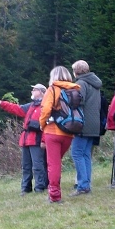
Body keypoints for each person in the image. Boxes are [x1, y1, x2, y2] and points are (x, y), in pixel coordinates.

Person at [0, 85, 47, 195]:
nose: (32, 91)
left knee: (38, 165)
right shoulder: (31, 106)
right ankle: (25, 189)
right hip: (26, 139)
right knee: (26, 166)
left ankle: (40, 187)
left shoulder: (46, 106)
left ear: (42, 92)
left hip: (37, 140)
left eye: (34, 89)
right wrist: (2, 104)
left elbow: (48, 125)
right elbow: (16, 108)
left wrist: (44, 141)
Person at [39, 66, 80, 203]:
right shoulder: (74, 89)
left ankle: (55, 195)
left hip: (53, 131)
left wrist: (42, 124)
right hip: (69, 131)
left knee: (53, 164)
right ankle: (54, 190)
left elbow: (45, 109)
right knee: (57, 162)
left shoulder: (52, 89)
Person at [69, 60, 102, 196]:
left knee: (77, 153)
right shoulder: (95, 84)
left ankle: (83, 185)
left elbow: (77, 102)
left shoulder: (81, 83)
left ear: (76, 71)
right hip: (94, 123)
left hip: (83, 123)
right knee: (86, 154)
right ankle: (86, 184)